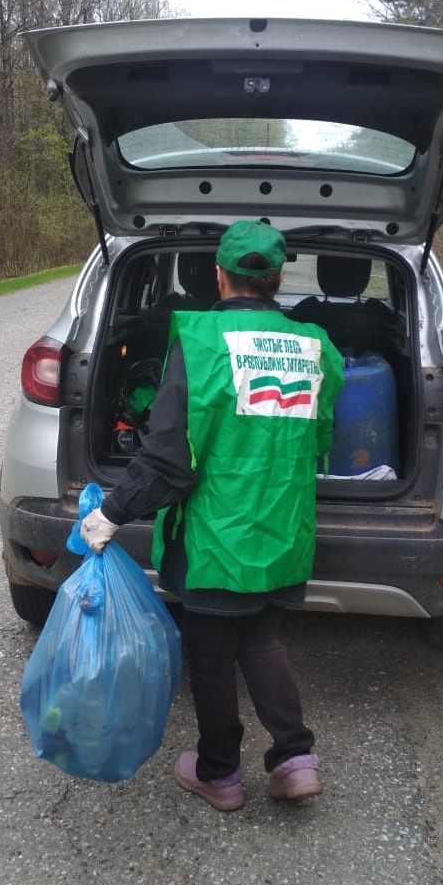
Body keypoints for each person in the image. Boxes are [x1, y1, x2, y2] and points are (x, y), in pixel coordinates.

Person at [81, 220, 344, 812]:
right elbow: (321, 439)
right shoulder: (316, 346)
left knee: (211, 652)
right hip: (283, 528)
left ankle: (220, 773)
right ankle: (294, 758)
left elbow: (171, 460)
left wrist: (113, 513)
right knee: (261, 638)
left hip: (216, 537)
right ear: (278, 280)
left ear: (220, 276)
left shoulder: (199, 342)